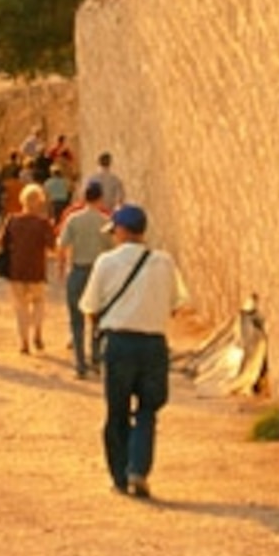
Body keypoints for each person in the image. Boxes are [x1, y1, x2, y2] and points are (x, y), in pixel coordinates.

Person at [79, 202, 183, 499]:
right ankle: (139, 468)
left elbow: (90, 307)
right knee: (149, 409)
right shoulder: (164, 262)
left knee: (117, 412)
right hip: (153, 345)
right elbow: (176, 304)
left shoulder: (106, 263)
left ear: (122, 231)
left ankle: (120, 476)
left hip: (120, 344)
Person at [54, 179, 116, 379]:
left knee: (76, 319)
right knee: (98, 317)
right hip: (98, 273)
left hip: (78, 270)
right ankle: (96, 359)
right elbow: (112, 248)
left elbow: (62, 245)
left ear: (83, 197)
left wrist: (61, 267)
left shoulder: (73, 219)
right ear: (99, 198)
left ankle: (80, 364)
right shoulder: (105, 222)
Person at [0, 182, 59, 354]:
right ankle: (37, 332)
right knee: (38, 302)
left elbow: (0, 242)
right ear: (39, 202)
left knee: (20, 306)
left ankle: (24, 342)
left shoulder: (12, 220)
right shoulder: (42, 223)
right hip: (37, 270)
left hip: (17, 269)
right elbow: (53, 246)